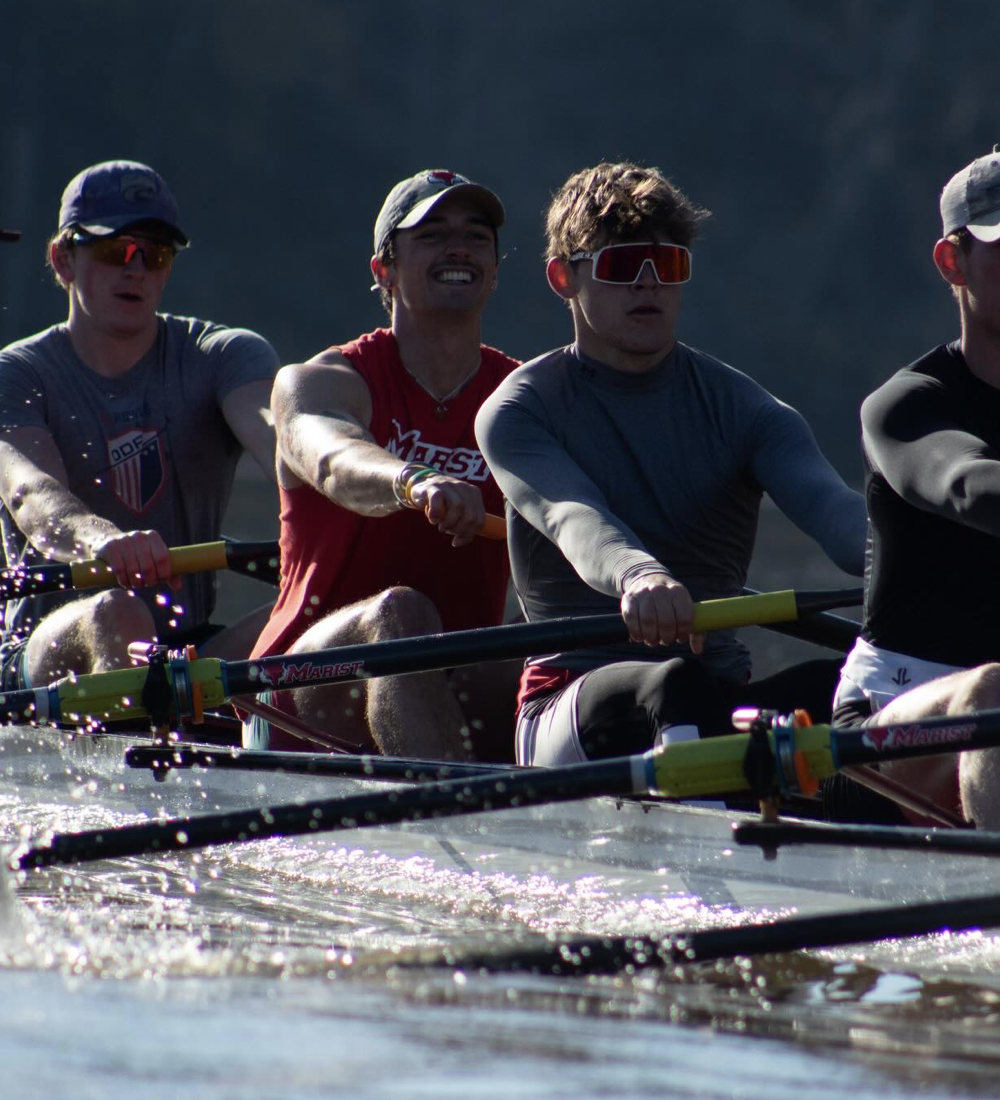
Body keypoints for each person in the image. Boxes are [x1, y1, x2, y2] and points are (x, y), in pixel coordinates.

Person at [475, 161, 866, 771]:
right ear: (563, 277)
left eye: (670, 266)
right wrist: (637, 576)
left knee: (858, 683)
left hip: (715, 698)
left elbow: (840, 516)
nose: (650, 285)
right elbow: (573, 516)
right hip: (569, 702)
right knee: (671, 681)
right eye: (625, 266)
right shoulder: (520, 410)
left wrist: (918, 552)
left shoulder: (746, 409)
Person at [245, 169, 520, 761]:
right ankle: (455, 824)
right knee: (401, 613)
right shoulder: (319, 382)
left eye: (476, 236)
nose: (457, 247)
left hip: (452, 675)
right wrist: (414, 481)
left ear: (495, 270)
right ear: (383, 270)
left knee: (542, 657)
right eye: (431, 233)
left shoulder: (527, 398)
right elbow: (334, 458)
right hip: (298, 689)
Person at [0, 160, 279, 696]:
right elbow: (31, 496)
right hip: (44, 652)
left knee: (329, 607)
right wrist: (104, 540)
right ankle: (141, 763)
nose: (136, 269)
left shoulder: (223, 355)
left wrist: (331, 513)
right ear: (63, 260)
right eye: (114, 251)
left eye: (153, 255)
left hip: (188, 649)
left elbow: (279, 441)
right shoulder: (17, 374)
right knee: (117, 612)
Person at [832, 148, 1000, 830]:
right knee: (993, 692)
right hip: (883, 730)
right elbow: (969, 485)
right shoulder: (904, 407)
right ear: (951, 263)